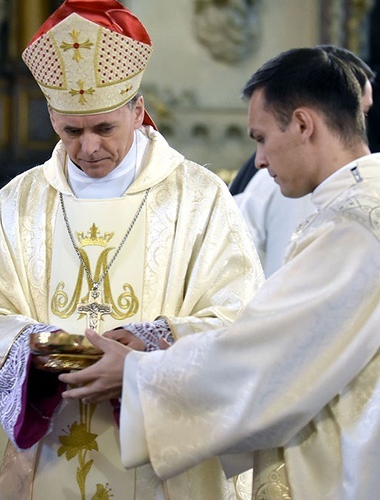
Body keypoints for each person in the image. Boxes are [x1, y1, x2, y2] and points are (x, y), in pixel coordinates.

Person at [0, 1, 264, 498]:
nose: (88, 147)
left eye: (104, 129)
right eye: (71, 130)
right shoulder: (21, 201)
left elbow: (241, 316)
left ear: (137, 111)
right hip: (47, 450)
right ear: (52, 115)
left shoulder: (198, 198)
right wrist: (42, 349)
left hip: (162, 455)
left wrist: (151, 346)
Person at [60, 46, 380, 499]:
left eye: (262, 138)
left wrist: (138, 373)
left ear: (304, 125)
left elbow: (271, 356)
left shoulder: (357, 226)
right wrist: (166, 336)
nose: (261, 160)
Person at [234, 45, 376, 276]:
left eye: (363, 112)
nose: (259, 161)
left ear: (303, 124)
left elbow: (278, 307)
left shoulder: (346, 223)